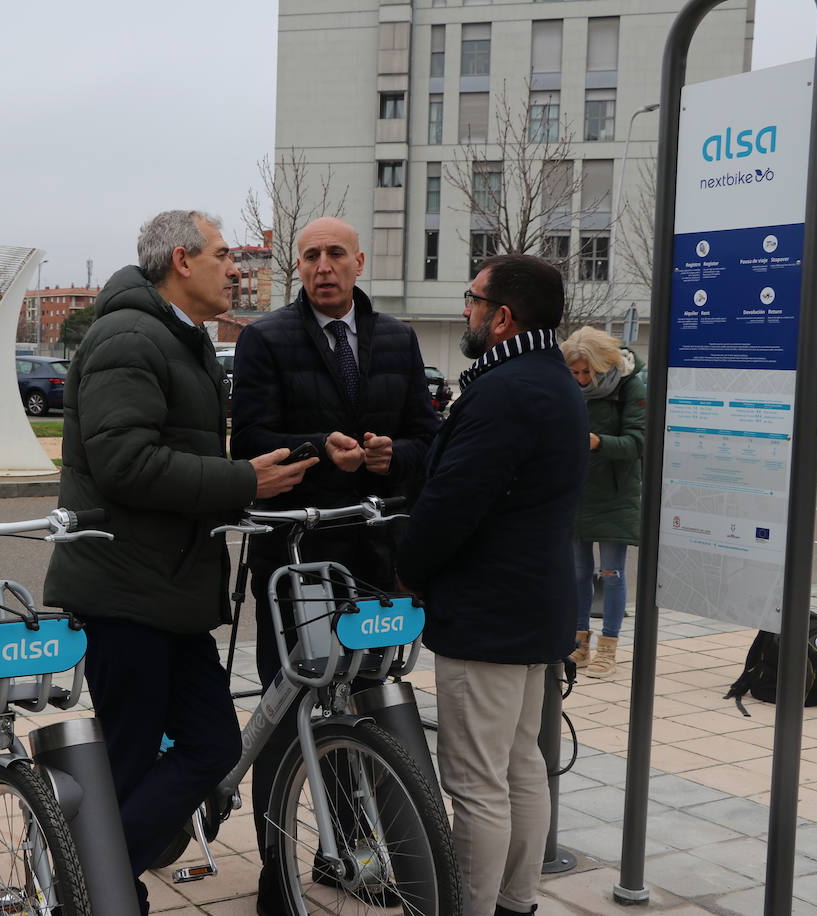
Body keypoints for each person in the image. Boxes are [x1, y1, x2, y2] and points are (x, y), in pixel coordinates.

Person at [41, 209, 317, 915]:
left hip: (169, 588)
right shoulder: (129, 336)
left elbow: (180, 459)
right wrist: (242, 482)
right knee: (135, 757)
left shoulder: (177, 338)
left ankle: (95, 877)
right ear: (182, 261)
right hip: (126, 585)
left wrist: (261, 481)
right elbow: (124, 463)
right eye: (225, 255)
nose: (237, 269)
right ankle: (95, 883)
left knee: (211, 744)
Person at [229, 216, 438, 912]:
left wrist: (391, 457)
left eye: (335, 255)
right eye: (311, 255)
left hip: (373, 554)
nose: (323, 266)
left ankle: (349, 855)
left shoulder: (399, 340)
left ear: (359, 262)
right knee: (290, 708)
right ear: (300, 265)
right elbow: (251, 440)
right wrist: (322, 446)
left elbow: (425, 440)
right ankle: (274, 876)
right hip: (296, 558)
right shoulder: (264, 337)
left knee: (365, 709)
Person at [396, 254, 589, 916]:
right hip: (532, 609)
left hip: (488, 616)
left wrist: (406, 567)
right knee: (519, 766)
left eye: (472, 300)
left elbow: (453, 501)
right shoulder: (548, 377)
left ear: (502, 316)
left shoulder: (507, 388)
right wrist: (395, 454)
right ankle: (516, 903)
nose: (466, 312)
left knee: (477, 782)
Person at [560, 327, 646, 678]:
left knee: (611, 574)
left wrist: (599, 443)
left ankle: (608, 648)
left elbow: (639, 442)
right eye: (576, 373)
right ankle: (579, 645)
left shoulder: (629, 386)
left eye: (588, 372)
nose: (582, 379)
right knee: (578, 573)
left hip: (614, 493)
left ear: (604, 364)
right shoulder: (567, 387)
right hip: (576, 491)